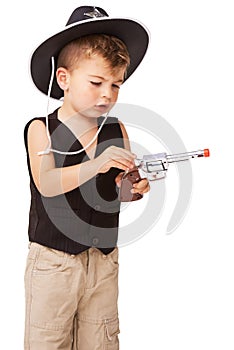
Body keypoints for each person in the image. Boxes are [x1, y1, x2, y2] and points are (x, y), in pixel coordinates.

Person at [24, 5, 150, 350]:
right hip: (54, 264)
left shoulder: (115, 129)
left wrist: (134, 188)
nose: (107, 94)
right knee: (47, 341)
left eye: (115, 84)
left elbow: (114, 191)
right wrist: (96, 164)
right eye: (95, 82)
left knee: (102, 340)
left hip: (104, 262)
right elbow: (46, 183)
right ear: (63, 78)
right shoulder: (41, 129)